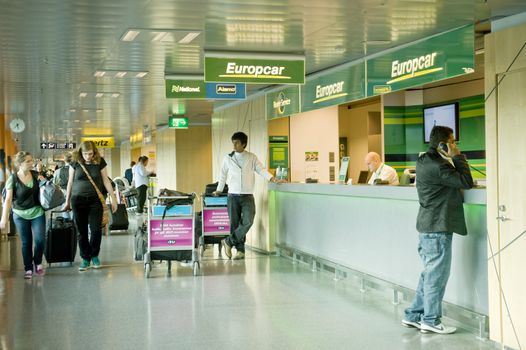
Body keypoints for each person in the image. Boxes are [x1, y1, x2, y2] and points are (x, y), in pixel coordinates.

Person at [402, 126, 473, 334]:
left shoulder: (424, 160)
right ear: (443, 144)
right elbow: (466, 182)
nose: (455, 145)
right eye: (453, 142)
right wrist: (458, 157)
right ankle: (431, 320)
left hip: (427, 226)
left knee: (429, 274)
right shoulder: (440, 166)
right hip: (437, 228)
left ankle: (414, 315)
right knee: (436, 276)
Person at [213, 131, 280, 260]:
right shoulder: (228, 158)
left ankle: (228, 241)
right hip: (232, 195)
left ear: (244, 144)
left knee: (248, 221)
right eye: (233, 142)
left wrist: (273, 179)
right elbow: (222, 175)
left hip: (247, 195)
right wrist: (219, 190)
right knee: (235, 224)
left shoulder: (251, 157)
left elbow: (261, 170)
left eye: (237, 143)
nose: (234, 145)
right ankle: (240, 250)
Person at [64, 141, 118, 271]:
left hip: (95, 201)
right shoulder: (75, 162)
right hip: (77, 200)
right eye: (85, 154)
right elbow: (70, 182)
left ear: (94, 152)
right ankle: (85, 258)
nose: (88, 156)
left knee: (95, 230)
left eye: (90, 153)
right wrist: (67, 201)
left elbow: (106, 180)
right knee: (81, 232)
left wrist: (114, 198)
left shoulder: (100, 161)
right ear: (81, 153)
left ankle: (94, 255)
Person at [0, 151, 46, 279]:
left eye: (32, 160)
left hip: (37, 212)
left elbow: (47, 191)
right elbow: (8, 200)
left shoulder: (37, 175)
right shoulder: (13, 179)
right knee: (26, 242)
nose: (32, 163)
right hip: (20, 215)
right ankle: (28, 268)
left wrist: (45, 182)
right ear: (20, 163)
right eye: (28, 161)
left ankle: (37, 262)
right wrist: (3, 219)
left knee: (40, 240)